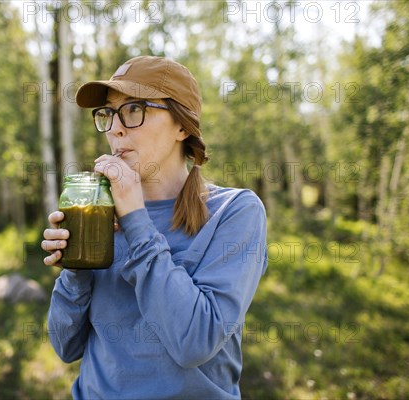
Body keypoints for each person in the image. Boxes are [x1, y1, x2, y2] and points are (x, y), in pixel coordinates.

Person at [41, 55, 267, 399]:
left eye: (133, 109)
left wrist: (135, 219)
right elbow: (65, 346)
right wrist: (75, 269)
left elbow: (195, 342)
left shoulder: (234, 212)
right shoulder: (98, 212)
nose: (115, 128)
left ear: (182, 126)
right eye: (108, 113)